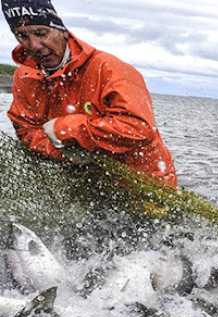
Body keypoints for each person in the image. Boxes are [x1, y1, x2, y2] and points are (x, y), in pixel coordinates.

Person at [3, 0, 177, 186]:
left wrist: (65, 129)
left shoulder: (110, 69)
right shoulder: (25, 76)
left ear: (62, 30)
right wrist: (62, 153)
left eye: (41, 33)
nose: (34, 45)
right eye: (22, 36)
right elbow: (26, 129)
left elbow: (138, 128)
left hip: (146, 180)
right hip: (84, 179)